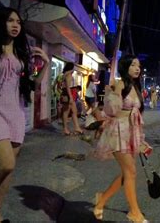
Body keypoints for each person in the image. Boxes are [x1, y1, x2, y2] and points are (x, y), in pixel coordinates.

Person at [0, 7, 49, 222]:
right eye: (10, 21)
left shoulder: (20, 55)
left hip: (16, 112)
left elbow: (34, 85)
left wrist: (45, 64)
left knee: (10, 170)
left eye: (18, 21)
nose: (15, 25)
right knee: (6, 163)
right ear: (1, 23)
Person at [93, 55, 151, 222]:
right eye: (133, 65)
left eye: (138, 65)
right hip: (117, 131)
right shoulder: (121, 83)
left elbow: (137, 115)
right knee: (130, 171)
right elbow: (111, 108)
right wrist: (113, 93)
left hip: (132, 132)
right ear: (125, 67)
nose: (137, 68)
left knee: (128, 172)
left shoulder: (135, 85)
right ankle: (134, 212)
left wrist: (140, 139)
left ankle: (101, 200)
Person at [58, 62, 84, 136]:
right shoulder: (68, 75)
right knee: (67, 112)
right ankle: (66, 129)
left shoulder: (65, 74)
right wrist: (71, 97)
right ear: (72, 68)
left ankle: (76, 127)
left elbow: (61, 85)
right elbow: (68, 87)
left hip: (66, 94)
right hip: (68, 95)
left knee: (73, 111)